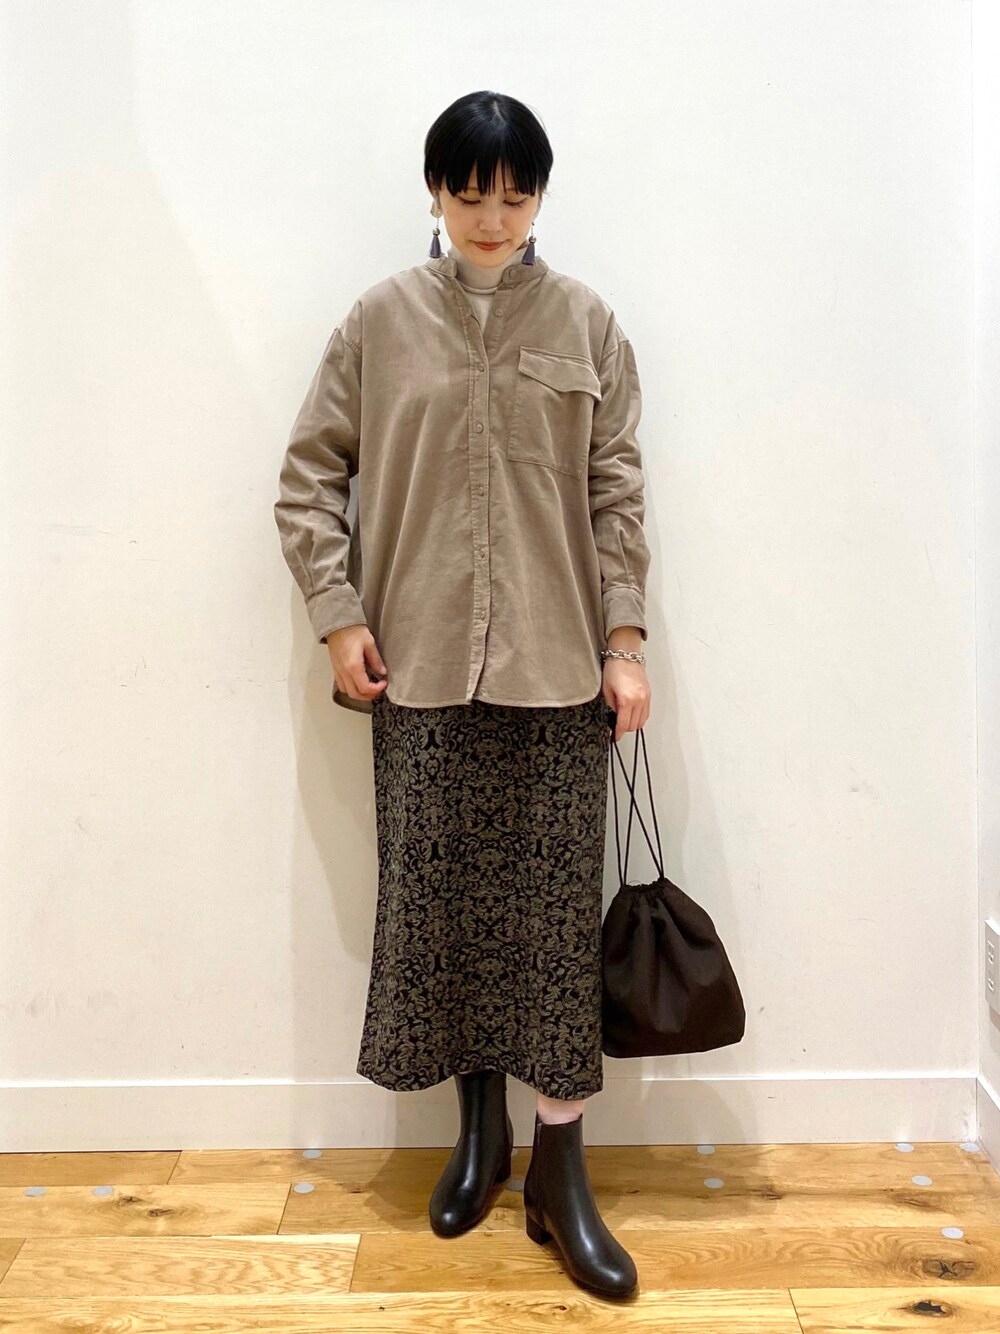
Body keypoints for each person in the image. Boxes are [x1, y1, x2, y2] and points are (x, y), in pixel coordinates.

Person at [273, 90, 651, 1300]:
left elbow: (616, 492)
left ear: (540, 196)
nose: (492, 217)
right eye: (470, 193)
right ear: (435, 192)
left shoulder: (586, 323)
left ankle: (559, 1166)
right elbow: (307, 477)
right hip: (422, 668)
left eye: (515, 194)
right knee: (441, 909)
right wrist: (339, 615)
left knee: (549, 925)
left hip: (556, 670)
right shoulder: (379, 321)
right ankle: (476, 1131)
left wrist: (625, 639)